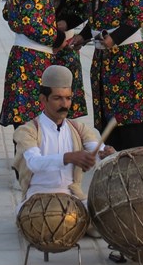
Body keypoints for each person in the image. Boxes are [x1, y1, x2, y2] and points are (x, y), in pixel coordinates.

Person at [69, 0, 143, 150]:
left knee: (129, 109)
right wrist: (82, 36)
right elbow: (96, 20)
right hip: (103, 58)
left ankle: (133, 153)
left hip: (126, 57)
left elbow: (138, 15)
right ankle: (112, 151)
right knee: (107, 108)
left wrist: (115, 38)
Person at [12, 65, 114, 208]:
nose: (65, 104)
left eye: (68, 98)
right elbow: (34, 163)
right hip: (37, 197)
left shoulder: (79, 128)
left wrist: (106, 155)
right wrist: (68, 157)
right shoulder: (28, 130)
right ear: (43, 99)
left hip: (72, 194)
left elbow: (96, 149)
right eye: (57, 98)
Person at [0, 0, 63, 128]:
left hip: (19, 53)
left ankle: (22, 154)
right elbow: (32, 25)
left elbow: (6, 13)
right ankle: (30, 155)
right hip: (34, 59)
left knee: (21, 110)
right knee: (33, 113)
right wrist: (58, 37)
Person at [46, 0, 89, 119]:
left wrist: (68, 22)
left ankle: (68, 127)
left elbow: (86, 9)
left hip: (66, 43)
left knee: (67, 86)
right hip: (43, 44)